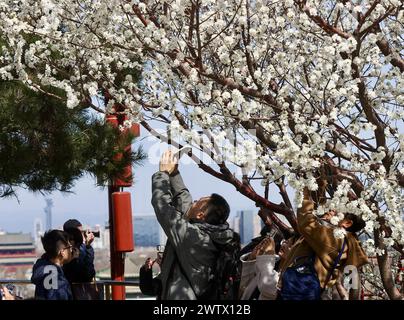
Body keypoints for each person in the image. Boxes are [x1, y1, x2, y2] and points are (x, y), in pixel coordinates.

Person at [151, 150, 239, 300]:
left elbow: (163, 208)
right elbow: (185, 203)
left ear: (200, 215)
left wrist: (162, 174)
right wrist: (174, 174)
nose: (194, 201)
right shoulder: (210, 234)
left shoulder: (194, 237)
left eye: (198, 202)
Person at [277, 175, 369, 300]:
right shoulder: (339, 238)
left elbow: (307, 223)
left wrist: (306, 190)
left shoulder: (336, 239)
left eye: (337, 211)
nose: (331, 210)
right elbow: (317, 215)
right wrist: (319, 184)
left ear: (346, 223)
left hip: (300, 291)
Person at [31, 230, 74, 300]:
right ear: (62, 252)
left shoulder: (44, 269)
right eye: (69, 247)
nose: (71, 250)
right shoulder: (56, 279)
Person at [62, 219, 96, 284]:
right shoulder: (66, 252)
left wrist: (88, 247)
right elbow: (82, 273)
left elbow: (89, 273)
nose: (83, 235)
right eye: (80, 232)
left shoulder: (81, 249)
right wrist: (84, 245)